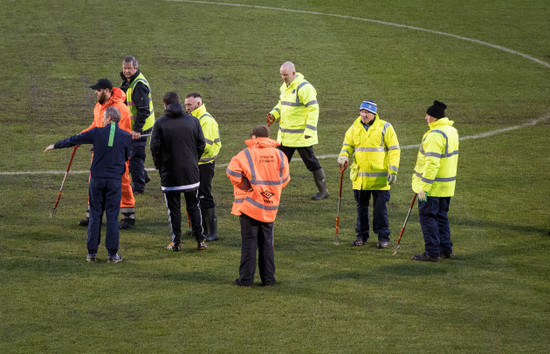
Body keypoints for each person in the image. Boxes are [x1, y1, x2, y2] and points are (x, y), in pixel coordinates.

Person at [44, 107, 131, 263]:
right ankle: (112, 255)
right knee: (112, 217)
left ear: (110, 118)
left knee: (95, 215)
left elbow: (74, 139)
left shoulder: (96, 132)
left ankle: (92, 254)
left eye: (104, 117)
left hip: (97, 180)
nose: (102, 120)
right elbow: (126, 157)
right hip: (114, 182)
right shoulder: (125, 136)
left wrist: (55, 145)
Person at [227, 125, 290, 287]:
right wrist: (270, 191)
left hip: (250, 205)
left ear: (254, 137)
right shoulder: (280, 155)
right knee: (267, 243)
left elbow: (232, 172)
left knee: (249, 243)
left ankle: (246, 280)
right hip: (270, 205)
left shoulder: (246, 154)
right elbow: (285, 178)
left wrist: (245, 186)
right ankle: (268, 279)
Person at [338, 100, 401, 248]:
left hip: (380, 179)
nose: (363, 115)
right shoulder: (354, 127)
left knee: (380, 211)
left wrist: (393, 170)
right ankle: (361, 235)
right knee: (361, 209)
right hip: (360, 178)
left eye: (367, 112)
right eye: (362, 111)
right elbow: (348, 145)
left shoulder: (385, 127)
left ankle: (383, 237)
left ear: (374, 113)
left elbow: (394, 149)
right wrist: (344, 155)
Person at [150, 92, 207, 251]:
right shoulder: (193, 121)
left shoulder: (160, 123)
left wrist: (159, 166)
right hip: (191, 173)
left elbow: (154, 148)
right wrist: (193, 161)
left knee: (173, 209)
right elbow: (201, 144)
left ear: (165, 105)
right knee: (194, 206)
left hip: (170, 174)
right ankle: (200, 240)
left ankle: (176, 243)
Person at [79, 78, 136, 230]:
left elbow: (118, 133)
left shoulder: (120, 109)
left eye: (98, 90)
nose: (95, 93)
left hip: (116, 154)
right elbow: (95, 126)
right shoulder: (99, 107)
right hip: (100, 154)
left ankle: (128, 215)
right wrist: (82, 136)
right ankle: (92, 213)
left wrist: (100, 145)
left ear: (107, 91)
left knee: (122, 181)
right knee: (94, 181)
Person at [267, 61, 327, 200]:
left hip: (301, 137)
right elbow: (282, 104)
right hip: (287, 137)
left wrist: (310, 131)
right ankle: (273, 192)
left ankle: (323, 191)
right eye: (282, 75)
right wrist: (274, 114)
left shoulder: (305, 88)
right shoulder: (285, 86)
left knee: (311, 163)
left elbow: (314, 109)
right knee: (278, 164)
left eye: (286, 75)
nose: (283, 77)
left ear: (294, 73)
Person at [411, 100, 459, 262]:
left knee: (428, 218)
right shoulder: (451, 131)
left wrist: (424, 187)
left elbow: (432, 163)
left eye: (428, 115)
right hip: (447, 186)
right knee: (441, 217)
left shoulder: (435, 136)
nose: (425, 118)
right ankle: (446, 249)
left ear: (434, 118)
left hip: (433, 188)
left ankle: (432, 252)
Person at [184, 92, 222, 241]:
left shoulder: (205, 120)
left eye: (189, 105)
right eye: (186, 104)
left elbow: (205, 145)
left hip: (204, 164)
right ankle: (199, 227)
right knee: (194, 195)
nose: (186, 107)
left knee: (204, 195)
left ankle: (213, 232)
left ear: (198, 104)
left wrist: (187, 149)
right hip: (196, 163)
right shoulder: (194, 118)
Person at [120, 56, 155, 194]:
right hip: (133, 126)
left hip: (141, 128)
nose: (126, 71)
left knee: (135, 156)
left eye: (129, 68)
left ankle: (139, 186)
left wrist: (137, 129)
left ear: (136, 68)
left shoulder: (139, 85)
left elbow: (143, 110)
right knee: (130, 154)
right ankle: (143, 175)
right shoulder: (129, 80)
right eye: (124, 68)